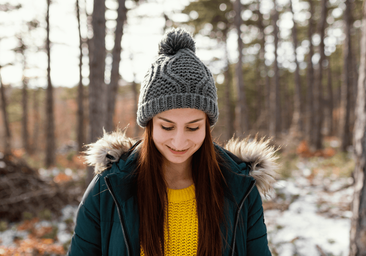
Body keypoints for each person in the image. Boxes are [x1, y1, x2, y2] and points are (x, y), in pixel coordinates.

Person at [67, 28, 277, 256]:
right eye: (167, 127)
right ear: (149, 125)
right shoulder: (108, 188)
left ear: (207, 126)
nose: (179, 141)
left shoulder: (239, 188)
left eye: (193, 127)